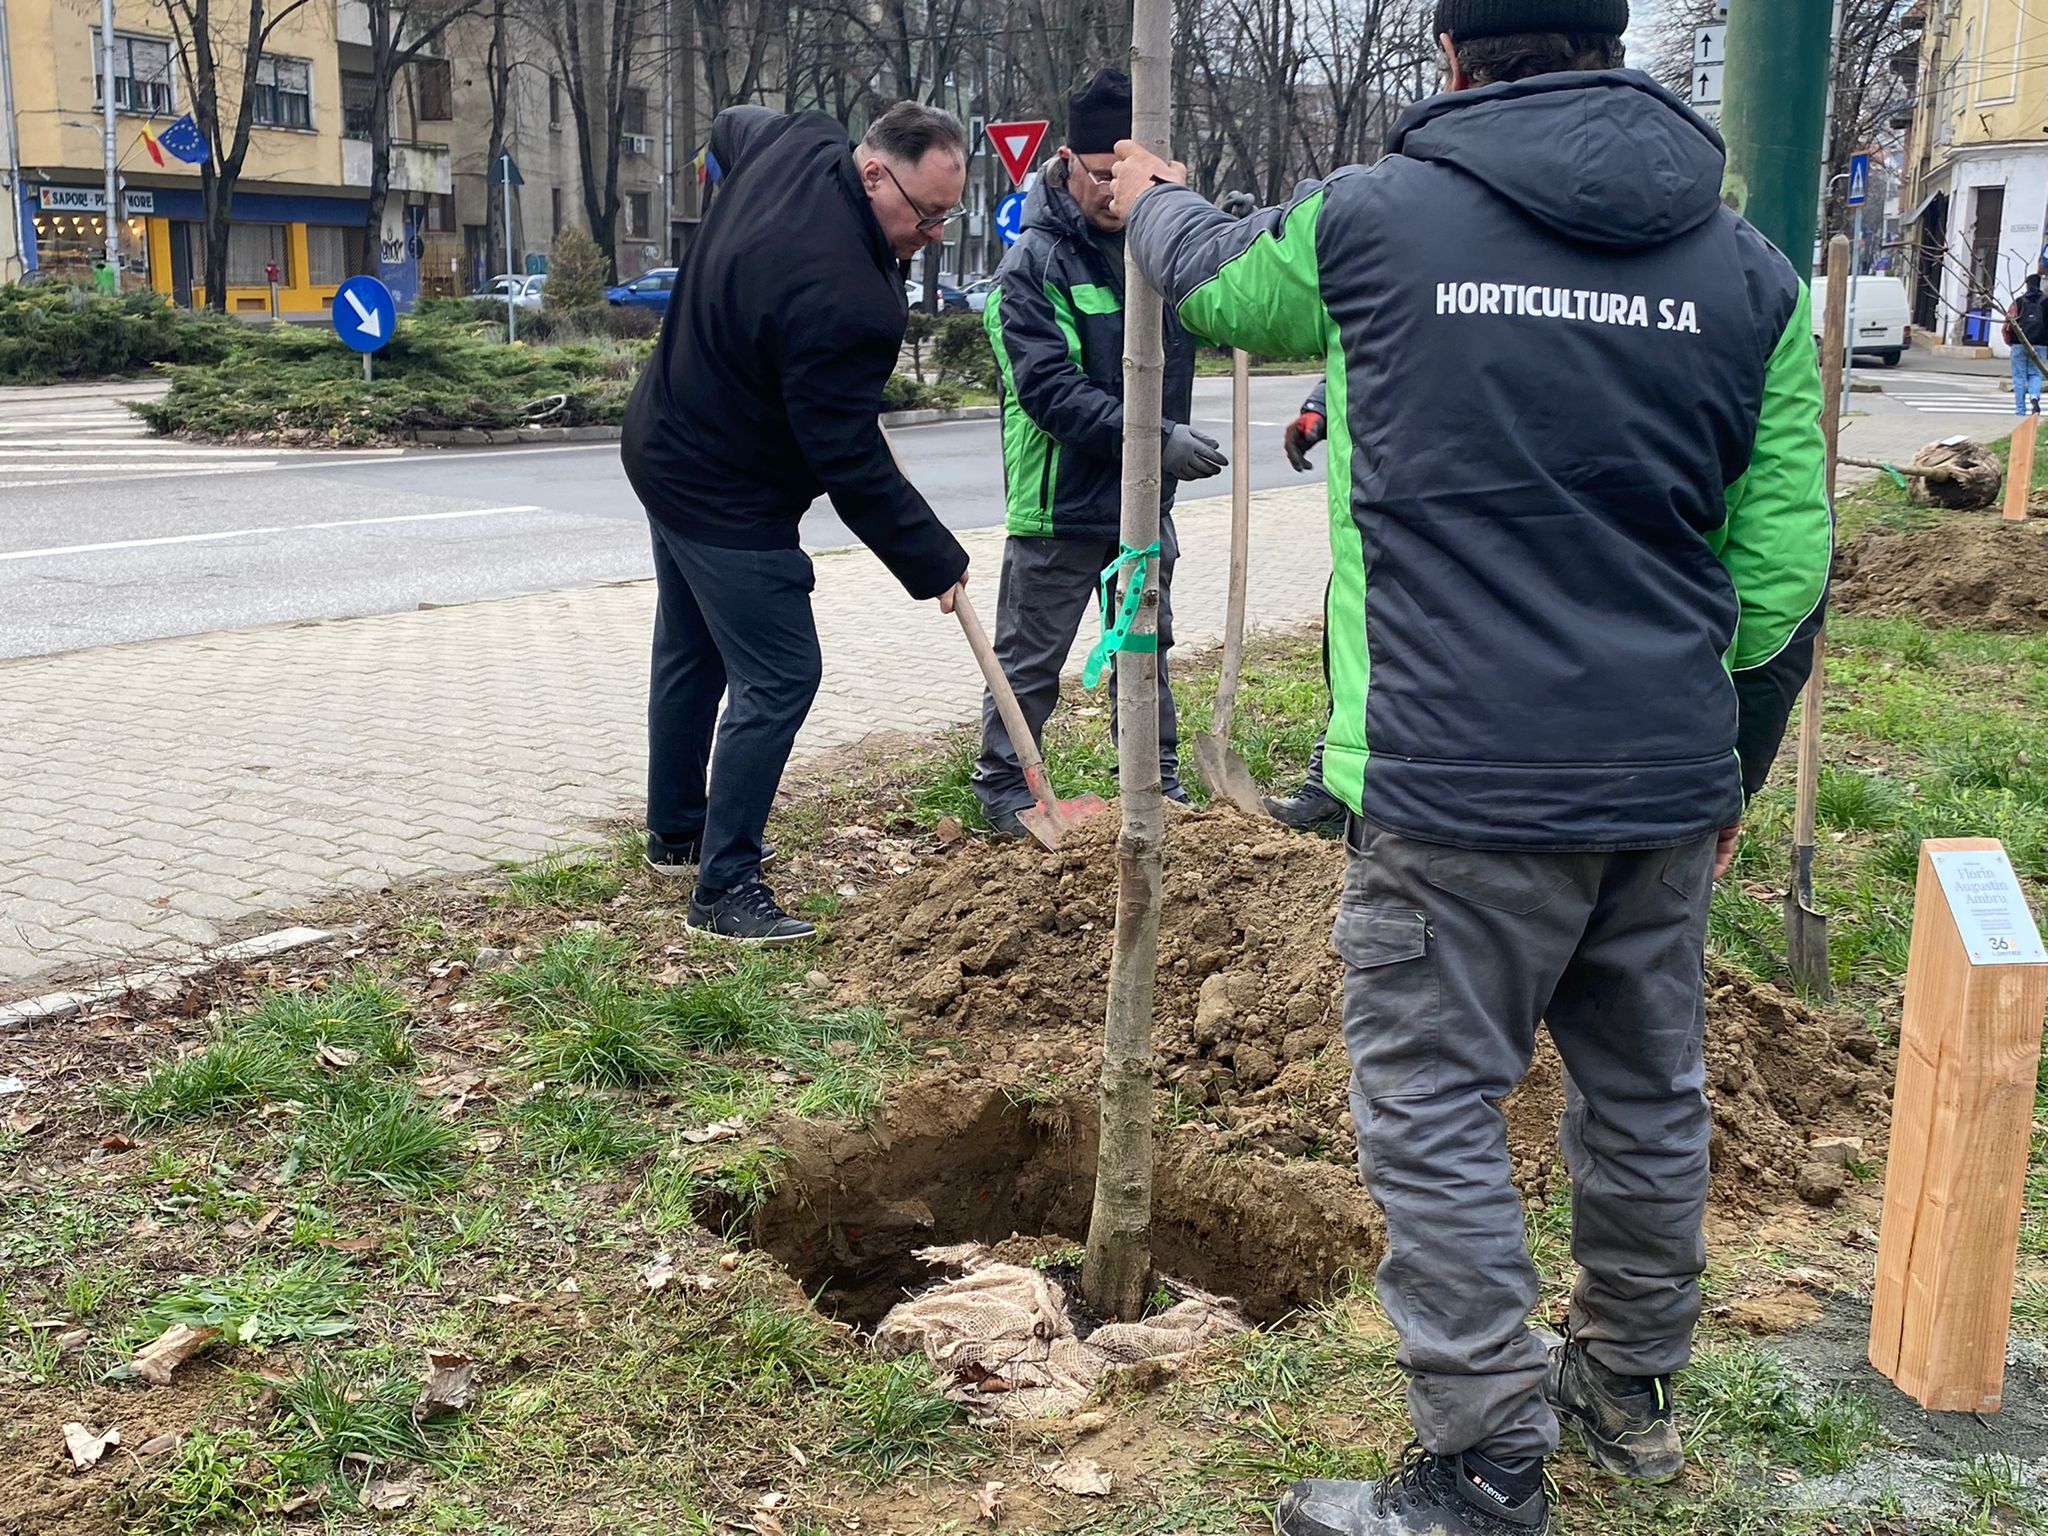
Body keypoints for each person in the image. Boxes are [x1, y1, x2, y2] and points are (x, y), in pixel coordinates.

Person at [1113, 3, 1832, 1532]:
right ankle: (1623, 1404)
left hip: (1454, 783)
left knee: (1435, 1108)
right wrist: (1732, 781)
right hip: (1659, 784)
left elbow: (1218, 277)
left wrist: (1148, 198)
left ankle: (1486, 1468)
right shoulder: (1752, 273)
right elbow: (1781, 574)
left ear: (1452, 59)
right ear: (1610, 46)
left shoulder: (1379, 222)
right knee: (1647, 1098)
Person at [622, 102, 972, 944]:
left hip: (660, 441)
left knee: (693, 647)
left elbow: (727, 125)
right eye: (924, 216)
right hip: (722, 490)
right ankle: (724, 886)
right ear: (874, 172)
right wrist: (933, 559)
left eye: (947, 218)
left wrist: (726, 210)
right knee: (781, 674)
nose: (932, 234)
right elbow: (847, 456)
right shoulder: (843, 297)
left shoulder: (794, 141)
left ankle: (677, 832)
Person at [972, 68, 1225, 834]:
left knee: (1147, 646)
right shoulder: (1035, 263)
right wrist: (1154, 440)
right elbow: (1049, 391)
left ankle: (1157, 778)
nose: (1115, 194)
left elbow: (1215, 321)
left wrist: (1231, 248)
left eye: (1130, 177)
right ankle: (1005, 789)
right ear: (1069, 162)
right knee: (1030, 659)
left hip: (1146, 502)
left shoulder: (1157, 245)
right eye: (1102, 175)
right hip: (1061, 503)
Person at [1265, 380, 1348, 835]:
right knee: (1350, 657)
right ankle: (1329, 791)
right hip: (1377, 521)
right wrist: (1320, 406)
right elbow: (1357, 344)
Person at [2006, 272, 2047, 415]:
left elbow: (2007, 324)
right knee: (2036, 374)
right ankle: (2034, 397)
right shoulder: (2047, 302)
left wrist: (2009, 341)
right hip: (2041, 344)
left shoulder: (2018, 302)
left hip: (2019, 343)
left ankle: (2020, 409)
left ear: (2027, 285)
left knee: (2019, 377)